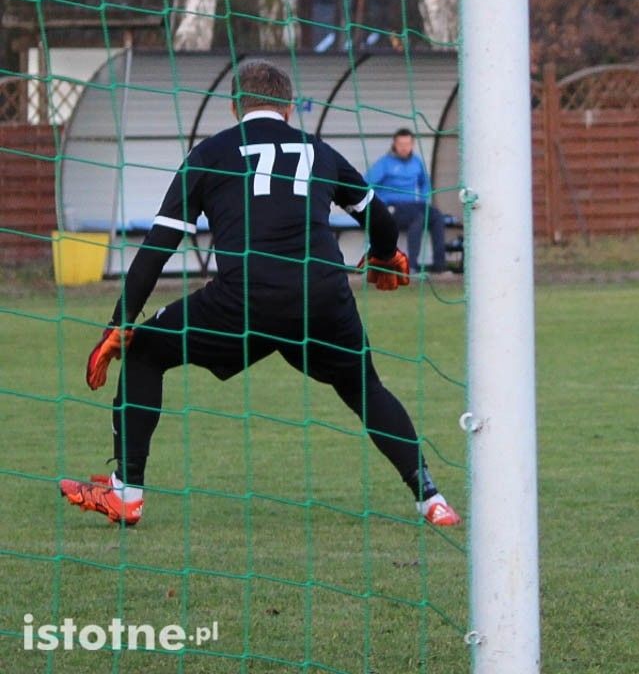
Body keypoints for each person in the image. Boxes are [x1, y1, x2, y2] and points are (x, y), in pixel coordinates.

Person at [61, 59, 461, 527]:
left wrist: (120, 321)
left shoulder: (211, 153)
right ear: (289, 109)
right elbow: (382, 219)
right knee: (365, 388)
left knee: (144, 350)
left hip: (244, 303)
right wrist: (386, 254)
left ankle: (126, 492)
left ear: (235, 107)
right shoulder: (318, 151)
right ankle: (431, 499)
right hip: (321, 297)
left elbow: (157, 248)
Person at [365, 128, 447, 274]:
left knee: (437, 216)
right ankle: (412, 266)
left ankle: (440, 266)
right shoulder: (385, 163)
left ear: (412, 144)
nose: (404, 148)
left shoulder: (417, 162)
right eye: (401, 144)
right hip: (392, 207)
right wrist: (378, 205)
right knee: (418, 218)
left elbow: (425, 183)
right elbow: (366, 182)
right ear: (394, 144)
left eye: (407, 144)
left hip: (413, 204)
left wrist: (424, 198)